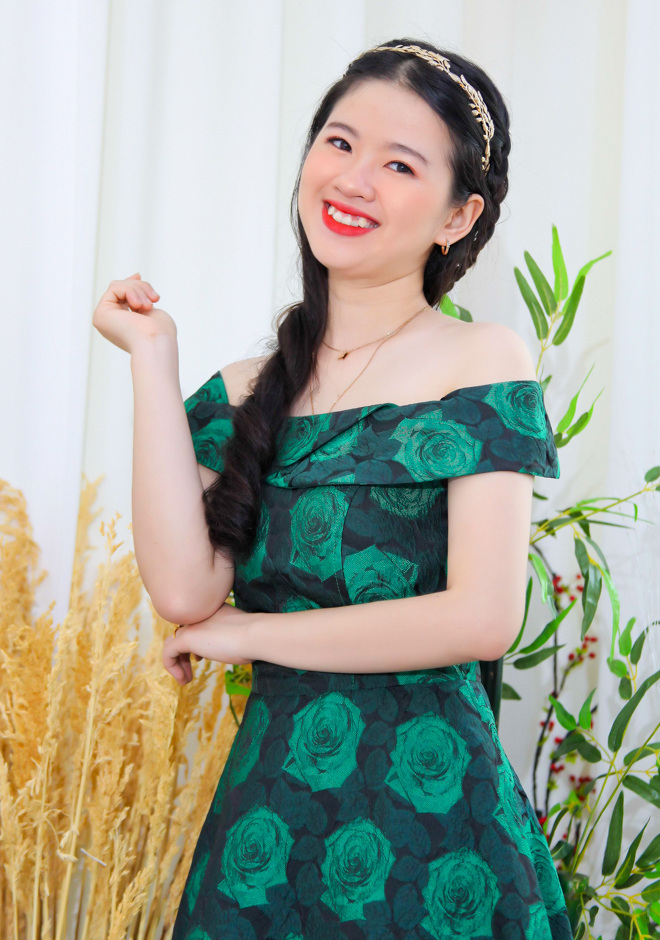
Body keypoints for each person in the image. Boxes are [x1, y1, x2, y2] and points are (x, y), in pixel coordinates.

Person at [93, 37, 572, 940]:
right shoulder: (245, 390)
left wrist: (251, 633)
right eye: (340, 143)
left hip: (442, 828)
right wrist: (153, 358)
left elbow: (482, 617)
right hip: (269, 824)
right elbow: (185, 591)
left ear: (458, 215)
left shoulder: (482, 360)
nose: (354, 180)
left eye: (400, 164)